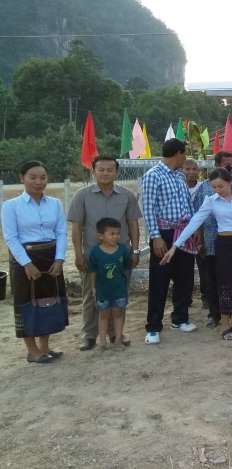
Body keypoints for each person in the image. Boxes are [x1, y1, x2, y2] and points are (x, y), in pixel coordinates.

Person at [162, 167, 232, 339]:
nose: (217, 190)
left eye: (220, 186)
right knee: (225, 285)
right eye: (214, 187)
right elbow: (194, 222)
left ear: (230, 183)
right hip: (224, 245)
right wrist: (175, 245)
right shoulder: (211, 201)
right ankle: (224, 326)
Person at [68, 155, 141, 351]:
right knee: (91, 294)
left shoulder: (127, 195)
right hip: (93, 258)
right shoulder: (82, 196)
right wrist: (78, 254)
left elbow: (133, 223)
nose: (105, 173)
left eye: (110, 170)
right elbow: (77, 227)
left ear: (117, 172)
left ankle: (116, 333)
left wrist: (134, 250)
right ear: (93, 172)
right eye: (100, 169)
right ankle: (89, 335)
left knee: (118, 294)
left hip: (120, 256)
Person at [1, 161, 68, 364]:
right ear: (22, 178)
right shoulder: (11, 206)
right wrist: (26, 264)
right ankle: (32, 351)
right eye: (33, 177)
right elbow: (10, 237)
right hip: (25, 258)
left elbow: (61, 232)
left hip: (51, 257)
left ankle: (44, 346)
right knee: (27, 303)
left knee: (49, 301)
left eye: (43, 178)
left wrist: (59, 259)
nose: (38, 182)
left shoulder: (55, 203)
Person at [141, 139, 198, 345]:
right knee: (160, 281)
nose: (185, 158)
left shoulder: (179, 176)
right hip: (163, 234)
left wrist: (193, 228)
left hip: (184, 233)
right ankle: (153, 327)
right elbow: (148, 209)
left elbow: (187, 204)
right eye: (185, 154)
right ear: (178, 154)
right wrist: (156, 237)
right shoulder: (153, 175)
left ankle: (180, 318)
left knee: (185, 278)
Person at [191, 151, 232, 328]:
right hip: (211, 241)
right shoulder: (205, 188)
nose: (230, 167)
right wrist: (200, 238)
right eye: (226, 164)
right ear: (216, 165)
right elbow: (198, 214)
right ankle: (214, 314)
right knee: (213, 280)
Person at [88, 218, 131, 351]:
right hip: (102, 290)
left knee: (118, 313)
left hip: (119, 290)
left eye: (118, 233)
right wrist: (93, 287)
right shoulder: (95, 251)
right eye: (111, 234)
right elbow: (92, 271)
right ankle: (102, 343)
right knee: (103, 315)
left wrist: (124, 287)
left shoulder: (123, 250)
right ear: (101, 236)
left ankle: (118, 340)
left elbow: (125, 268)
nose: (115, 236)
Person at [182, 158, 207, 309]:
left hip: (200, 232)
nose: (191, 172)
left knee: (203, 265)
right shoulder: (178, 187)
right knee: (184, 267)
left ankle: (206, 297)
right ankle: (185, 298)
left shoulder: (203, 188)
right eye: (187, 169)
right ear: (182, 170)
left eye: (194, 169)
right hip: (182, 231)